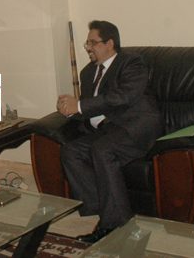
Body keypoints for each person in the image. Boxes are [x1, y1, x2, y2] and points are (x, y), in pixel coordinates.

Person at [56, 21, 162, 243]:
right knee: (71, 151)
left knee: (102, 149)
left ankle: (115, 225)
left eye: (92, 43)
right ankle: (103, 210)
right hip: (107, 131)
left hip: (135, 126)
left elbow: (123, 97)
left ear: (110, 43)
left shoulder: (131, 63)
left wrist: (80, 105)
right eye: (87, 43)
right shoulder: (87, 73)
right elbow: (88, 109)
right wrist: (69, 110)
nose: (88, 48)